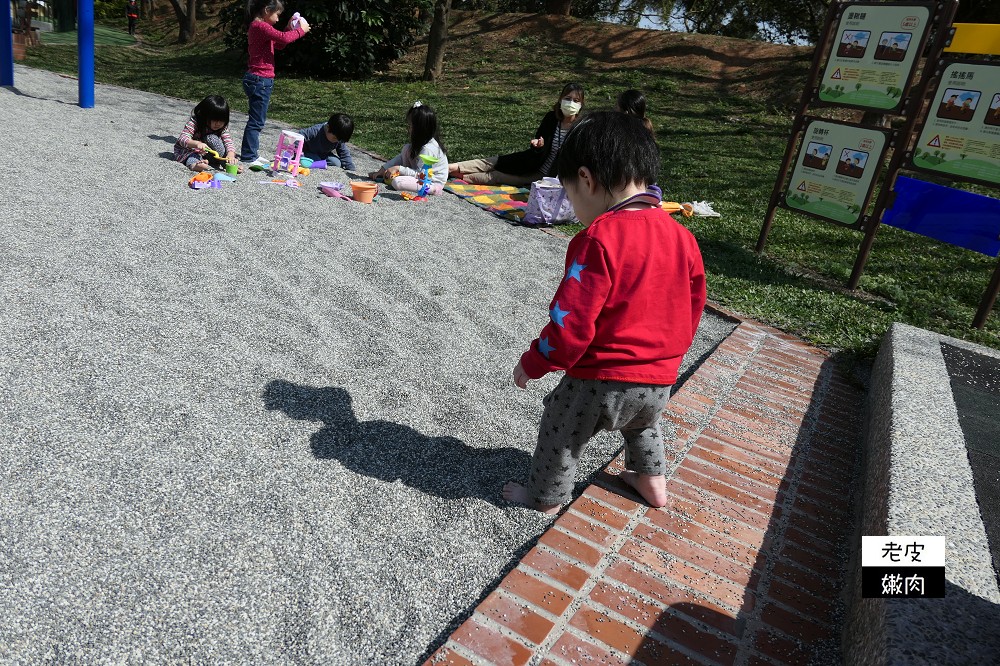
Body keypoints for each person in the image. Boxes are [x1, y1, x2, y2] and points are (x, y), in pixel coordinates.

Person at [503, 112, 706, 514]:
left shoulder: (598, 238)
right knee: (642, 425)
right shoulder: (681, 235)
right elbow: (693, 302)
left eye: (571, 195)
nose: (576, 207)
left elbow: (571, 324)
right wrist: (667, 356)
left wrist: (536, 361)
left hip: (600, 379)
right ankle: (651, 481)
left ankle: (544, 495)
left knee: (560, 428)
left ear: (586, 179)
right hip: (659, 379)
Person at [448, 82, 585, 186]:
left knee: (496, 176)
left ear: (581, 104)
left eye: (576, 100)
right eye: (567, 98)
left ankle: (458, 175)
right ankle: (450, 167)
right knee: (495, 161)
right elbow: (538, 145)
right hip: (531, 162)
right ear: (560, 100)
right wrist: (538, 146)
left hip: (544, 176)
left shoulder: (581, 128)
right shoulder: (551, 118)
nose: (570, 103)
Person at [239, 0, 310, 164]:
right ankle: (249, 155)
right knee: (256, 121)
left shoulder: (259, 27)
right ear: (266, 10)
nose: (278, 19)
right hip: (260, 80)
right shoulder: (260, 26)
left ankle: (250, 153)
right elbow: (284, 40)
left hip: (257, 79)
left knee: (256, 120)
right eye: (277, 15)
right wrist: (301, 31)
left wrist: (288, 27)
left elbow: (278, 44)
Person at [368, 102, 448, 195]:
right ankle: (404, 177)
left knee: (397, 182)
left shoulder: (428, 149)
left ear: (420, 130)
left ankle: (433, 190)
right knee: (406, 148)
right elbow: (400, 158)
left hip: (430, 181)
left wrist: (399, 169)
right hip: (418, 174)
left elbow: (422, 175)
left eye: (411, 126)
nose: (408, 129)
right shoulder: (420, 143)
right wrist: (383, 169)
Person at [174, 95, 241, 173]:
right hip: (192, 151)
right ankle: (196, 165)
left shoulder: (222, 128)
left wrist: (230, 155)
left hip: (211, 154)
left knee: (212, 138)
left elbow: (228, 142)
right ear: (205, 116)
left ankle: (227, 164)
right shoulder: (195, 122)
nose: (218, 124)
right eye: (215, 120)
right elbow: (182, 138)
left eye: (222, 120)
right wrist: (196, 143)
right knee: (192, 156)